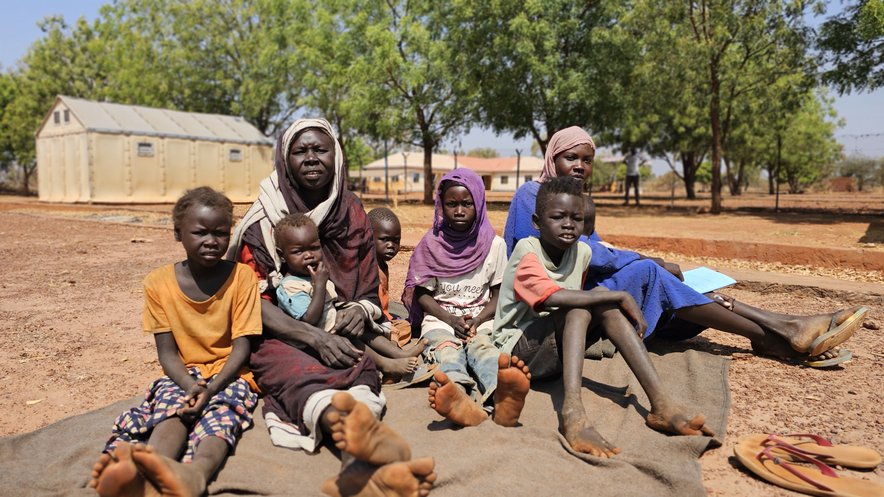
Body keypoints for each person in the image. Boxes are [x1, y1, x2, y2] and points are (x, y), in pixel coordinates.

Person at [504, 126, 867, 367]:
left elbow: (593, 251)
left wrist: (640, 261)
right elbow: (586, 257)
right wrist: (647, 259)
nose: (580, 166)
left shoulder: (574, 201)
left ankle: (785, 327)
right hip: (551, 307)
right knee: (650, 272)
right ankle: (778, 334)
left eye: (587, 160)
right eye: (572, 158)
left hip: (584, 293)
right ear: (553, 158)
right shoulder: (532, 195)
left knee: (680, 284)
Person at [228, 118, 435, 495]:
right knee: (299, 372)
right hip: (281, 334)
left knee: (357, 364)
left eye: (319, 149)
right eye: (300, 150)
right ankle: (360, 457)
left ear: (336, 156)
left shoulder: (351, 211)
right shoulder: (264, 219)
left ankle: (360, 464)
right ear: (284, 158)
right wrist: (313, 337)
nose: (311, 158)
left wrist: (360, 310)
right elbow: (251, 302)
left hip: (340, 324)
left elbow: (368, 285)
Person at [493, 176, 713, 457]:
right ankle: (572, 412)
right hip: (515, 352)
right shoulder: (527, 250)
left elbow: (587, 292)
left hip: (553, 349)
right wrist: (618, 294)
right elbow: (552, 297)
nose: (569, 224)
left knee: (600, 306)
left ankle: (661, 403)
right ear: (537, 222)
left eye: (577, 218)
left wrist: (609, 299)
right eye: (558, 217)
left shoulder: (581, 252)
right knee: (584, 304)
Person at [89, 187, 262, 497]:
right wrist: (191, 386)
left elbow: (242, 346)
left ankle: (195, 474)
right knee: (173, 408)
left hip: (231, 373)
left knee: (224, 414)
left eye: (221, 233)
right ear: (177, 234)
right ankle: (150, 468)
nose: (212, 241)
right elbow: (167, 354)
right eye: (200, 232)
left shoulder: (243, 278)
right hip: (184, 374)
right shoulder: (158, 283)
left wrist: (211, 388)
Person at [402, 169, 531, 428]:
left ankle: (502, 395)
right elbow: (423, 296)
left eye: (467, 203)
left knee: (484, 351)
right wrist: (450, 319)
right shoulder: (430, 244)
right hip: (440, 322)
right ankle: (460, 396)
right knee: (447, 354)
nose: (459, 210)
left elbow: (498, 295)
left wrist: (478, 319)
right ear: (441, 205)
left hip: (480, 321)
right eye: (451, 204)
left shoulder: (494, 245)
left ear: (479, 204)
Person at [274, 212, 423, 375]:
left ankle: (400, 354)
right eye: (298, 251)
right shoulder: (291, 286)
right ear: (282, 256)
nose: (309, 255)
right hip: (318, 338)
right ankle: (385, 365)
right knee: (349, 340)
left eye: (314, 248)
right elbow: (309, 320)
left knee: (364, 329)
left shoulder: (315, 274)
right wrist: (320, 286)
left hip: (332, 324)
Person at [367, 207, 413, 348]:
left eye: (396, 241)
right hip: (370, 319)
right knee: (399, 329)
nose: (391, 246)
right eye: (385, 240)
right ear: (368, 237)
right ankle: (389, 347)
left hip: (384, 318)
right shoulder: (368, 267)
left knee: (404, 326)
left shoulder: (382, 264)